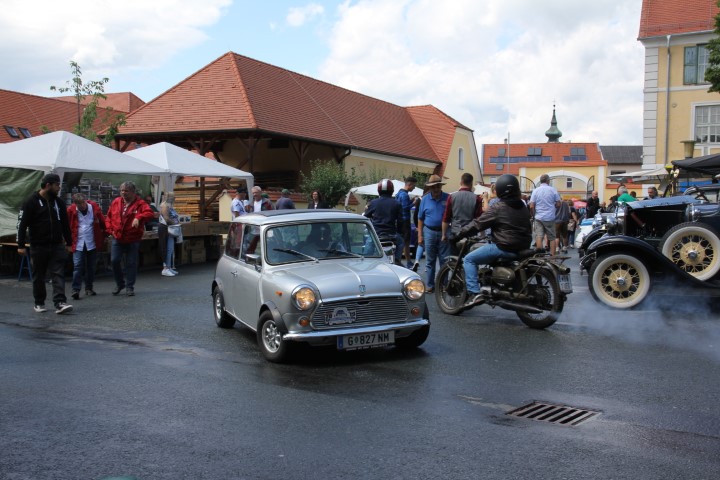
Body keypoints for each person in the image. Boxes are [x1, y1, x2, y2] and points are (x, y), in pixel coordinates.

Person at [454, 174, 532, 307]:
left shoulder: (498, 207)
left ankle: (474, 293)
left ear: (500, 190)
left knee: (469, 259)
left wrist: (459, 234)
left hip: (504, 247)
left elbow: (478, 224)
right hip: (523, 246)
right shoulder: (523, 206)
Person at [16, 173, 74, 314]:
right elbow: (22, 224)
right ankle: (39, 302)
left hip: (56, 245)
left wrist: (69, 242)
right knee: (39, 276)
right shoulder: (31, 202)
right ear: (47, 185)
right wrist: (21, 245)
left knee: (58, 273)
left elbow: (65, 224)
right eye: (56, 185)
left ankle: (60, 302)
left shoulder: (58, 202)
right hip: (38, 245)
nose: (59, 188)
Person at [106, 181, 155, 296]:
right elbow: (108, 217)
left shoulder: (140, 203)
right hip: (117, 237)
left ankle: (129, 286)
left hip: (133, 238)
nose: (123, 193)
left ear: (133, 192)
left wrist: (139, 217)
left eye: (126, 191)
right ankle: (120, 283)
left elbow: (150, 213)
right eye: (122, 190)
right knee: (114, 261)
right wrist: (110, 230)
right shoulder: (116, 202)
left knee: (131, 263)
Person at [67, 193, 106, 299]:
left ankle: (89, 288)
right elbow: (67, 226)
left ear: (86, 200)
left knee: (91, 267)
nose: (82, 206)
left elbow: (102, 222)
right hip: (78, 242)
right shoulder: (71, 210)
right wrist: (68, 242)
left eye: (83, 203)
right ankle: (76, 289)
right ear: (75, 204)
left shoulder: (94, 208)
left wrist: (105, 233)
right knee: (78, 266)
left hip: (92, 242)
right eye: (79, 204)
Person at [417, 174, 450, 293]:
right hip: (429, 231)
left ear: (441, 186)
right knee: (430, 261)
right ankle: (430, 285)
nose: (436, 189)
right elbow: (420, 219)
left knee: (444, 261)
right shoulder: (425, 199)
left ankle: (444, 285)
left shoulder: (448, 198)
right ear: (430, 188)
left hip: (444, 232)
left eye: (438, 186)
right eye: (433, 187)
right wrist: (420, 236)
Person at [442, 173, 483, 255]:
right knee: (470, 259)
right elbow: (479, 218)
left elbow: (446, 217)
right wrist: (482, 235)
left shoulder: (452, 197)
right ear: (471, 184)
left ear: (461, 182)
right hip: (471, 233)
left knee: (454, 259)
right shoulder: (477, 198)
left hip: (456, 233)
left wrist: (443, 234)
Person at [364, 179, 403, 265]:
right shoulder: (397, 204)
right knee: (401, 242)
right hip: (392, 235)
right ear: (392, 190)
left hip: (376, 235)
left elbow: (366, 217)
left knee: (367, 252)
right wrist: (400, 232)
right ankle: (397, 260)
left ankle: (366, 263)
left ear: (379, 190)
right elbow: (400, 221)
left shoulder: (373, 203)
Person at [528, 173, 561, 256]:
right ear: (548, 181)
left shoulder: (535, 191)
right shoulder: (553, 190)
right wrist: (554, 207)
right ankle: (552, 257)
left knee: (539, 236)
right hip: (550, 217)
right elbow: (558, 204)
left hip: (538, 217)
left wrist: (533, 215)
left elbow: (531, 205)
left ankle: (540, 256)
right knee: (552, 238)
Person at [395, 176, 416, 268]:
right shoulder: (404, 195)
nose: (414, 188)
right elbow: (405, 208)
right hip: (405, 221)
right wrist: (414, 203)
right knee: (406, 242)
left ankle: (403, 260)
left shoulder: (399, 193)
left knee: (402, 241)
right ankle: (407, 262)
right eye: (414, 186)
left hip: (399, 220)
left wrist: (411, 200)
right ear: (409, 184)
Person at [158, 192, 181, 277]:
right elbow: (166, 218)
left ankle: (169, 266)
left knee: (170, 249)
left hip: (170, 229)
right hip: (165, 229)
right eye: (173, 197)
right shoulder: (165, 206)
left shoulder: (169, 205)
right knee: (166, 248)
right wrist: (175, 222)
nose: (174, 198)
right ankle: (165, 268)